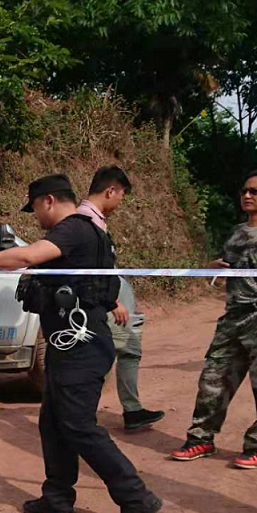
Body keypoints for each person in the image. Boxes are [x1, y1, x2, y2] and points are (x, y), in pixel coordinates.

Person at [0, 174, 163, 513]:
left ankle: (136, 496)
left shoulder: (73, 229)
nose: (35, 216)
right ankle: (58, 498)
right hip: (72, 345)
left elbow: (28, 256)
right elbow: (98, 285)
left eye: (35, 207)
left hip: (81, 347)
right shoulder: (93, 233)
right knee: (53, 422)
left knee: (78, 425)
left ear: (48, 200)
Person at [171, 170, 257, 469]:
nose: (247, 195)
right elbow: (228, 269)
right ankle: (201, 439)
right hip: (233, 317)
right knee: (212, 381)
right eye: (244, 191)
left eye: (255, 191)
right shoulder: (237, 232)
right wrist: (213, 268)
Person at [77, 165, 165, 431]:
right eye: (121, 195)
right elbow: (87, 272)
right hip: (109, 302)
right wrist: (112, 301)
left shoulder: (95, 220)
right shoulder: (86, 222)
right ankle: (81, 416)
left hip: (116, 296)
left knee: (127, 351)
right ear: (111, 191)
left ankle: (131, 410)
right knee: (105, 355)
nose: (120, 202)